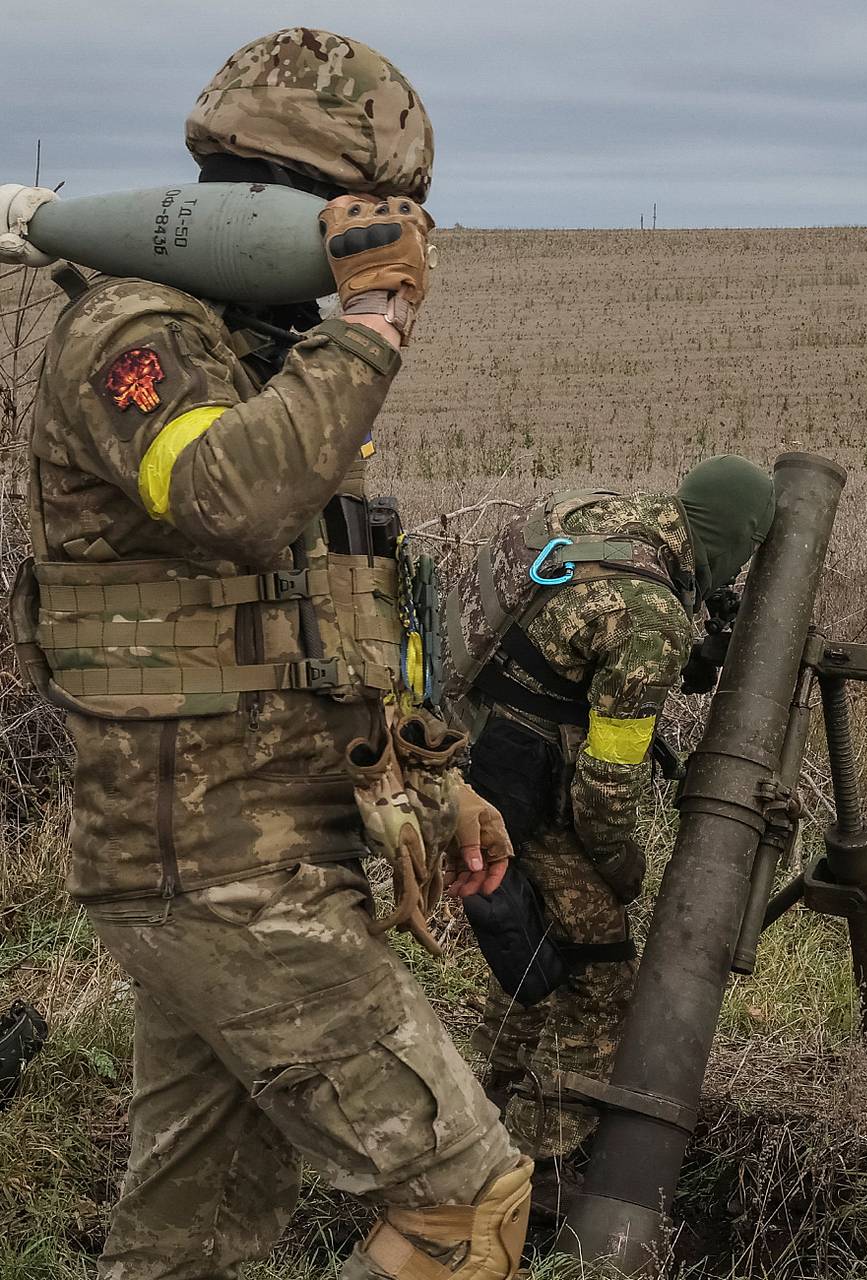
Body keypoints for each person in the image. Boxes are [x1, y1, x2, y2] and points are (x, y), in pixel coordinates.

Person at [11, 29, 531, 1280]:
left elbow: (296, 622)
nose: (395, 237)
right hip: (215, 872)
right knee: (470, 1210)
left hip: (256, 855)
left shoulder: (261, 357)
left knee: (187, 1245)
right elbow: (224, 498)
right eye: (369, 211)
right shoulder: (130, 336)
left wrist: (425, 779)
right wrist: (367, 326)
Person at [444, 457, 776, 1209]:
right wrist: (623, 871)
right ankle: (529, 1178)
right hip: (519, 790)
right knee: (601, 979)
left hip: (454, 758)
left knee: (533, 957)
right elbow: (606, 787)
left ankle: (470, 1125)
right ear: (734, 540)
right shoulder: (652, 615)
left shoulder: (588, 513)